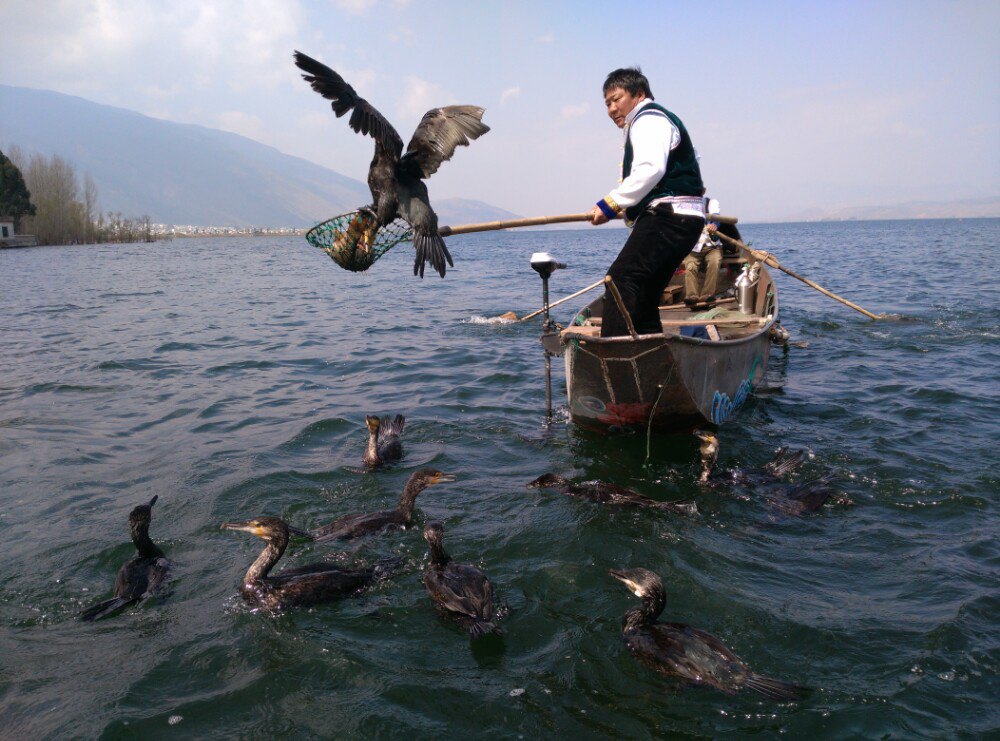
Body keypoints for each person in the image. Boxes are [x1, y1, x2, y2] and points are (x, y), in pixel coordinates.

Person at [588, 68, 705, 337]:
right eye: (607, 103)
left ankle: (615, 356)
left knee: (620, 281)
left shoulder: (649, 119)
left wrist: (610, 204)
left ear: (639, 94)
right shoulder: (654, 121)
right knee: (644, 295)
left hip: (670, 217)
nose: (611, 108)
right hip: (683, 218)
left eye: (617, 99)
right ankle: (652, 354)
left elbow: (650, 169)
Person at [683, 198, 722, 306]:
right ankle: (692, 296)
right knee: (690, 266)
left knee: (715, 262)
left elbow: (716, 218)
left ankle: (707, 294)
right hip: (694, 248)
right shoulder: (684, 206)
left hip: (712, 246)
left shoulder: (711, 202)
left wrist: (714, 225)